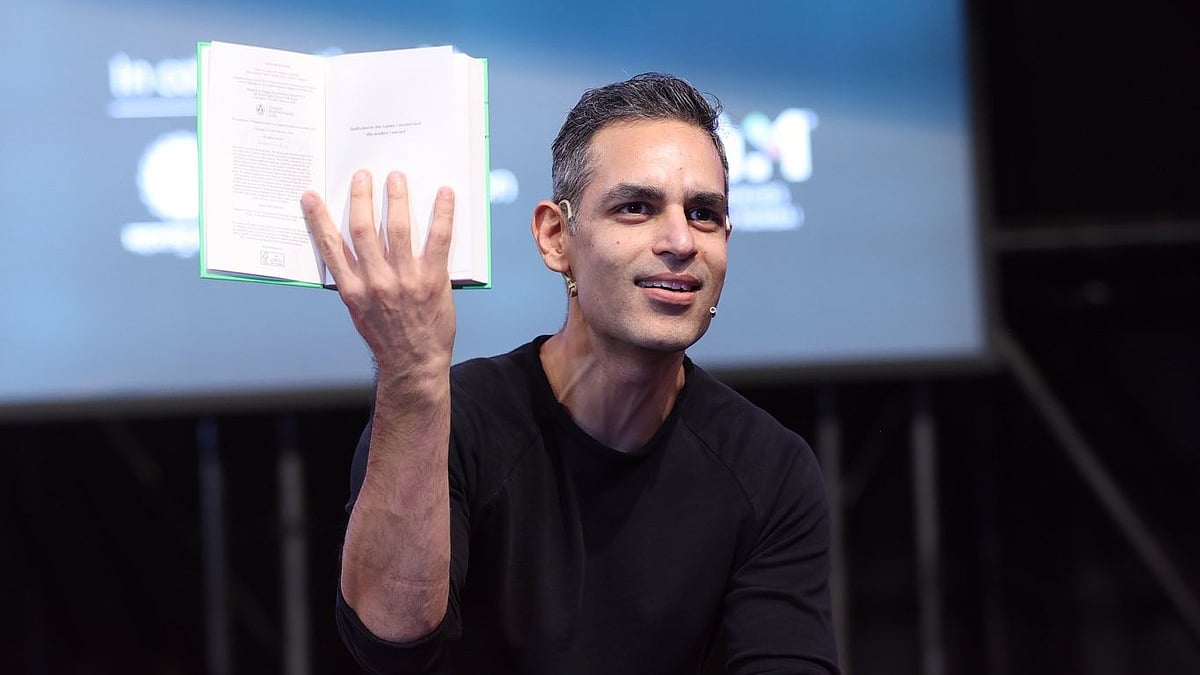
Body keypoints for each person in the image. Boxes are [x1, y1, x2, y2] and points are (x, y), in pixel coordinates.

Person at [301, 73, 839, 674]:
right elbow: (390, 641)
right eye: (636, 208)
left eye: (704, 214)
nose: (681, 241)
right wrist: (411, 376)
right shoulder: (450, 422)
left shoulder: (769, 467)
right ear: (556, 237)